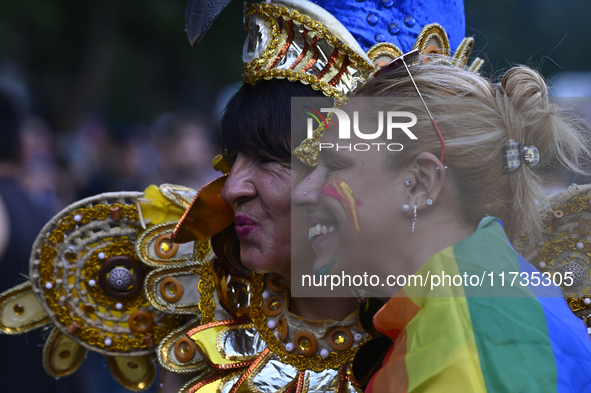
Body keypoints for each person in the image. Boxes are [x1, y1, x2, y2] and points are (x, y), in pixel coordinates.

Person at [291, 55, 591, 391]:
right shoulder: (485, 302)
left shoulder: (464, 342)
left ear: (420, 184)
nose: (301, 192)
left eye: (334, 166)